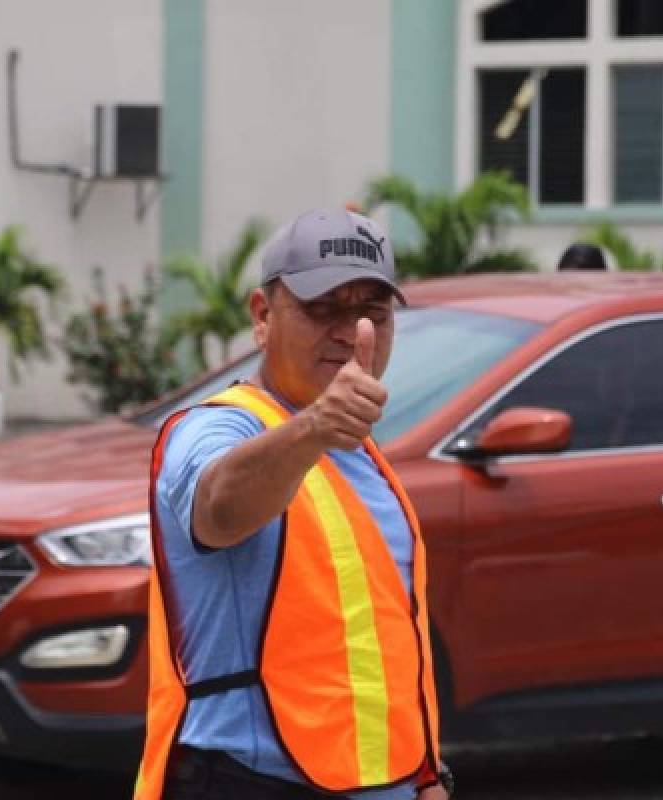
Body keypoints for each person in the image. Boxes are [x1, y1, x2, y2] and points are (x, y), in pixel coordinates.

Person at [134, 208, 450, 800]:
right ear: (261, 316)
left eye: (370, 313)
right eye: (322, 308)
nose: (348, 330)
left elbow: (380, 647)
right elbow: (218, 510)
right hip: (249, 781)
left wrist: (427, 774)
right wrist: (315, 429)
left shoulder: (365, 457)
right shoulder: (214, 429)